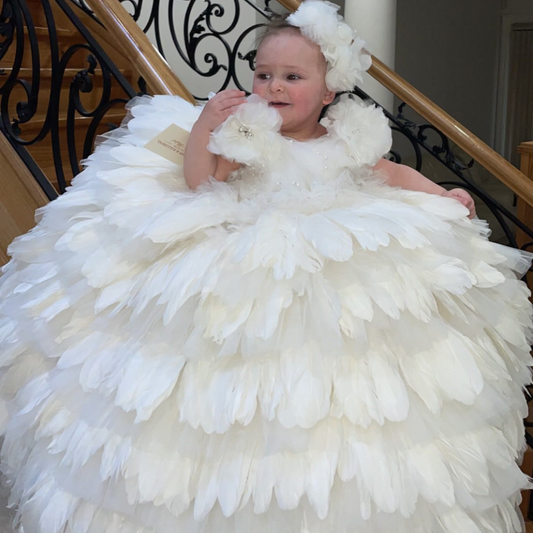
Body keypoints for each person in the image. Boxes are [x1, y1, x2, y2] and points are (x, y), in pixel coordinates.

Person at [0, 1, 532, 532]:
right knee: (239, 365)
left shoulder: (346, 141)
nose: (274, 87)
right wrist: (208, 122)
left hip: (330, 257)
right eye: (264, 74)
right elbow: (201, 180)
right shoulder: (252, 135)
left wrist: (445, 193)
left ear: (328, 92)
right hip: (254, 250)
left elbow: (391, 174)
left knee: (348, 371)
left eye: (292, 77)